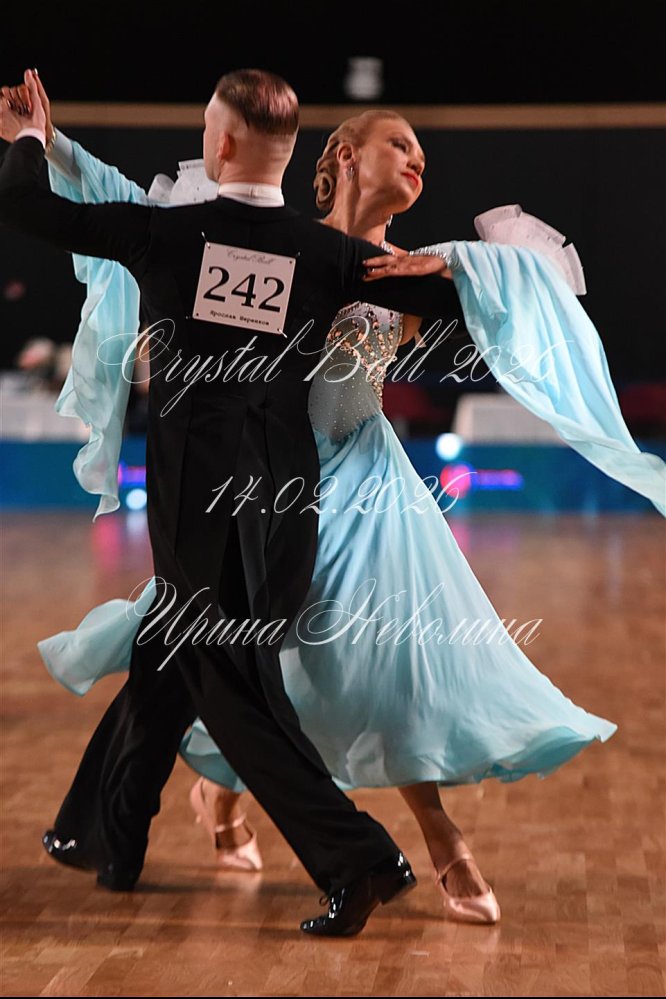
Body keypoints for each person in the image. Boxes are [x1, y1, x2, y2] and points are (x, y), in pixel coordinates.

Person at [5, 82, 630, 926]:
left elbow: (525, 292)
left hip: (337, 492)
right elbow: (121, 206)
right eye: (399, 142)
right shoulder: (306, 249)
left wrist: (466, 264)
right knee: (191, 658)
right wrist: (51, 144)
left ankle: (384, 841)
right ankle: (125, 829)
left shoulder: (380, 265)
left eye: (422, 150)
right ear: (339, 155)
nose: (417, 158)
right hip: (263, 490)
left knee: (331, 666)